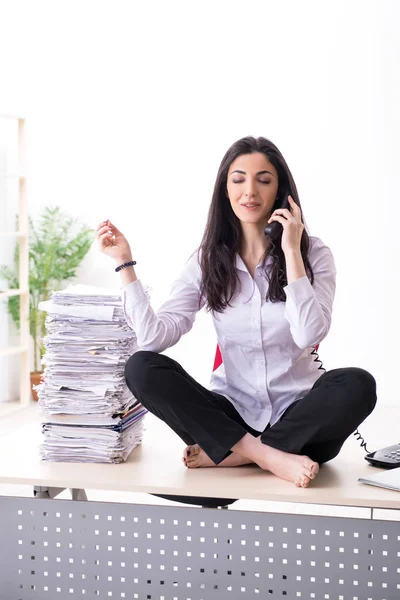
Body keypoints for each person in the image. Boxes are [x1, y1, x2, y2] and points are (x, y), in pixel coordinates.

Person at [96, 135, 376, 488]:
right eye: (239, 179)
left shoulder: (314, 255)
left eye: (264, 180)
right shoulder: (207, 261)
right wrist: (125, 263)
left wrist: (291, 251)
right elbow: (152, 339)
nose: (250, 192)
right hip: (230, 415)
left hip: (300, 418)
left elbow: (309, 334)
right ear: (225, 190)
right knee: (141, 366)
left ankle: (237, 454)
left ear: (280, 192)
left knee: (357, 384)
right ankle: (267, 455)